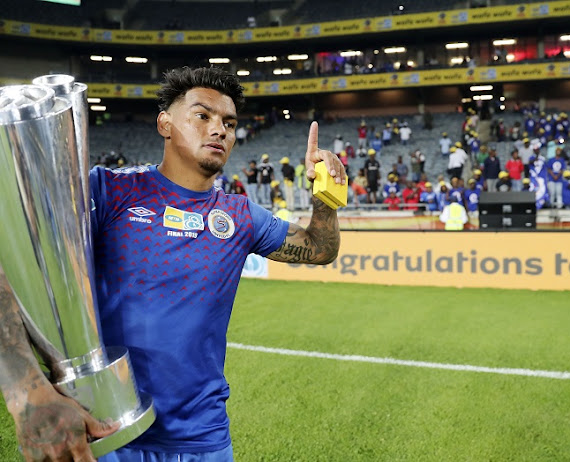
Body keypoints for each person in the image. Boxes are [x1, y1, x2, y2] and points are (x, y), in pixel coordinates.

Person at [0, 66, 345, 462]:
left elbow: (319, 248)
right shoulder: (109, 191)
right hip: (107, 432)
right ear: (165, 123)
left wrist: (326, 198)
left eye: (229, 123)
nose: (219, 130)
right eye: (203, 116)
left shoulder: (240, 215)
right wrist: (25, 391)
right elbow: (12, 265)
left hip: (205, 441)